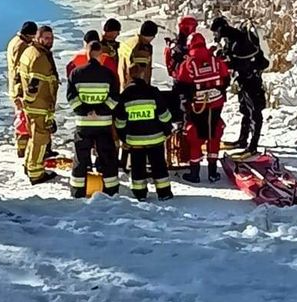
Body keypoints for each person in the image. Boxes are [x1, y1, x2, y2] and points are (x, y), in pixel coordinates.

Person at [114, 58, 176, 201]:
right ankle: (164, 192)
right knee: (159, 165)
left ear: (128, 76)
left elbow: (120, 122)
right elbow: (165, 116)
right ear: (143, 75)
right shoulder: (153, 92)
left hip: (135, 141)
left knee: (137, 168)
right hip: (155, 138)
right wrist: (167, 131)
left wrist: (125, 138)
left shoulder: (125, 96)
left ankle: (140, 194)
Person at [174, 30, 230, 182]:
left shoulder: (188, 64)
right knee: (214, 133)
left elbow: (181, 86)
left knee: (195, 137)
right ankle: (213, 173)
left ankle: (195, 173)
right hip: (216, 103)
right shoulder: (216, 60)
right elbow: (226, 79)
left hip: (197, 106)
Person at [67, 38, 120, 198]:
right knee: (107, 158)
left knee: (80, 158)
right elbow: (114, 98)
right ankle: (111, 191)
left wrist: (85, 111)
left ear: (87, 54)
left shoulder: (76, 73)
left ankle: (78, 191)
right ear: (101, 55)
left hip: (83, 124)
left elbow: (71, 97)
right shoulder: (109, 74)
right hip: (103, 123)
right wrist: (100, 110)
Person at [211, 15, 269, 154]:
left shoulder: (240, 42)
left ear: (221, 30)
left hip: (251, 80)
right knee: (245, 110)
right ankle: (243, 140)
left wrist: (225, 63)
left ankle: (253, 145)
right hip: (244, 80)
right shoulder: (232, 39)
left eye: (216, 32)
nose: (216, 36)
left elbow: (241, 63)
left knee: (254, 111)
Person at [15, 24, 61, 184]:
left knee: (33, 137)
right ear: (37, 37)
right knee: (41, 139)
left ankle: (29, 165)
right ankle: (36, 172)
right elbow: (34, 85)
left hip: (32, 106)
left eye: (52, 38)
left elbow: (18, 78)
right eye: (46, 38)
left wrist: (22, 99)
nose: (50, 41)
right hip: (40, 105)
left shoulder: (29, 52)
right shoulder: (40, 58)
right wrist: (29, 99)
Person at [6, 20, 37, 159]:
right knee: (23, 119)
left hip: (15, 86)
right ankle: (22, 148)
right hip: (19, 88)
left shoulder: (14, 41)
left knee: (22, 117)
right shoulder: (22, 46)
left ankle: (23, 147)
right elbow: (21, 68)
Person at [120, 20, 160, 86]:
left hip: (124, 83)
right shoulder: (143, 47)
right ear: (151, 35)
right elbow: (140, 70)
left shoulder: (129, 42)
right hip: (136, 88)